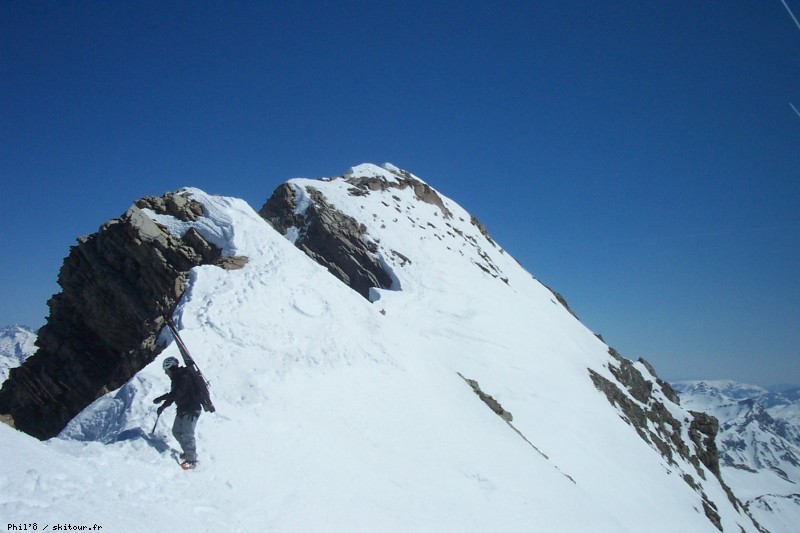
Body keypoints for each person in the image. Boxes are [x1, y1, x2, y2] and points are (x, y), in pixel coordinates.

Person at [153, 356, 202, 469]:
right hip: (183, 409)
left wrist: (161, 398)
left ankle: (191, 460)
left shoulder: (184, 377)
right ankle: (188, 452)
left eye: (166, 370)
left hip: (191, 409)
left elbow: (177, 394)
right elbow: (174, 395)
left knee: (188, 434)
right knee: (176, 431)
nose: (166, 373)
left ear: (170, 368)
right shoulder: (177, 378)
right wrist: (163, 406)